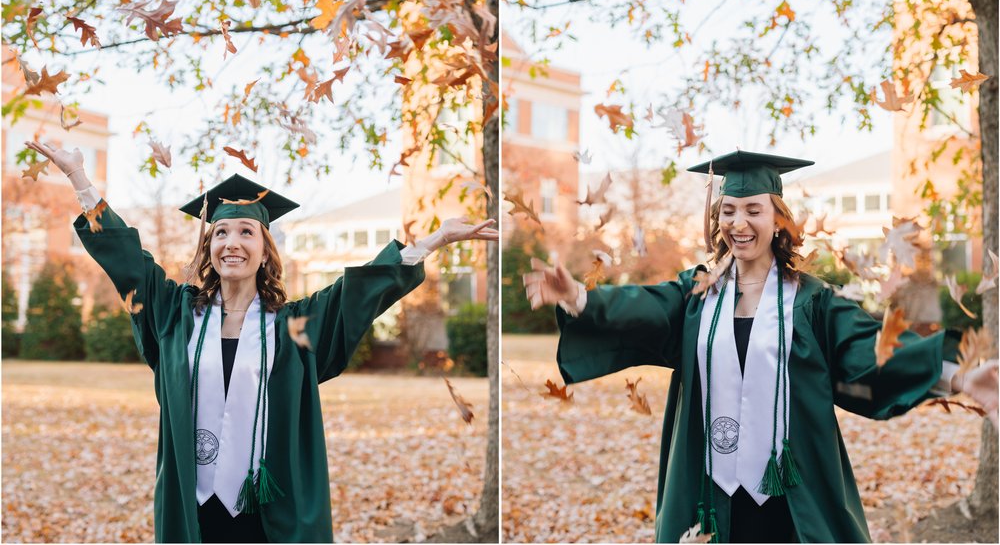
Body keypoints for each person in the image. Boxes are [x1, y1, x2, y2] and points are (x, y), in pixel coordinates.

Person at [26, 139, 498, 543]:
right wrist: (79, 178)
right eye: (221, 232)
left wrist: (434, 240)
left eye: (246, 231)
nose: (232, 242)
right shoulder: (177, 315)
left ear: (265, 249)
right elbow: (129, 263)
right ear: (209, 249)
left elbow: (359, 294)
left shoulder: (294, 326)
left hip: (269, 506)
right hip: (194, 505)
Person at [523, 150, 998, 544]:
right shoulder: (698, 294)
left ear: (778, 219)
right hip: (711, 487)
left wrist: (956, 375)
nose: (739, 222)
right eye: (729, 210)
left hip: (791, 491)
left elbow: (870, 351)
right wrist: (577, 296)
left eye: (754, 210)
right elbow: (640, 309)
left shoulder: (811, 301)